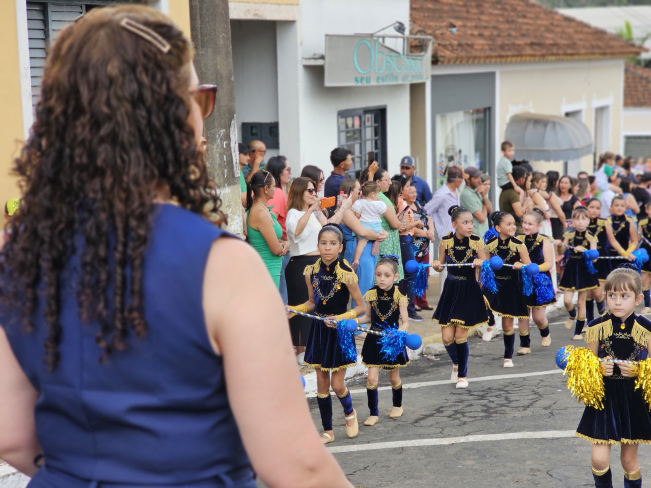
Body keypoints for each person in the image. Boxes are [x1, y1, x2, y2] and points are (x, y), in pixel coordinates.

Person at [0, 6, 351, 488]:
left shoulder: (19, 252)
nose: (203, 114)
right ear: (169, 117)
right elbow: (297, 465)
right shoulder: (222, 265)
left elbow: (12, 435)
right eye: (201, 99)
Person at [288, 224, 366, 445]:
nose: (328, 248)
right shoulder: (310, 271)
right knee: (322, 384)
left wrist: (342, 318)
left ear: (340, 247)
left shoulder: (347, 274)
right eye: (323, 243)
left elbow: (361, 307)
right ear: (318, 245)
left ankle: (349, 412)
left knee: (337, 385)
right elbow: (311, 303)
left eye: (333, 244)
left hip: (339, 332)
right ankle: (328, 430)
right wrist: (294, 310)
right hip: (320, 331)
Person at [576, 266, 651, 488]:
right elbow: (588, 364)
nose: (617, 302)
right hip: (604, 398)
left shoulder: (646, 328)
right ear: (605, 295)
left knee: (628, 461)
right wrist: (597, 368)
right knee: (598, 460)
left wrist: (639, 370)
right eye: (612, 295)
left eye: (624, 296)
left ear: (638, 299)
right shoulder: (596, 326)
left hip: (633, 399)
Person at [285, 177, 351, 363]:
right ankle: (300, 349)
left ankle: (313, 345)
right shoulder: (293, 213)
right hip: (300, 263)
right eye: (310, 190)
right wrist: (311, 209)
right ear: (299, 192)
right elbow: (296, 232)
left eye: (315, 190)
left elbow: (326, 230)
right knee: (301, 304)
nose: (314, 194)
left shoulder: (311, 214)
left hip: (317, 263)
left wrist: (337, 208)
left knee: (317, 305)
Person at [432, 206, 488, 388]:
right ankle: (456, 363)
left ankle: (463, 375)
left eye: (471, 222)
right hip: (450, 289)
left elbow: (486, 265)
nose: (470, 226)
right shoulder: (445, 241)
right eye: (465, 223)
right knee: (447, 338)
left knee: (460, 335)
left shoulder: (477, 242)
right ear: (454, 224)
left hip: (468, 289)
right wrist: (437, 266)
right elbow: (441, 265)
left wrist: (480, 263)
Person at [359, 255, 410, 424]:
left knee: (393, 378)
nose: (382, 279)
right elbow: (368, 317)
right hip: (374, 339)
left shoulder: (399, 295)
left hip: (392, 341)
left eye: (387, 275)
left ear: (395, 277)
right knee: (372, 379)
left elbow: (405, 322)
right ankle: (373, 413)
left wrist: (398, 333)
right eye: (378, 275)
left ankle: (397, 405)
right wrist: (353, 322)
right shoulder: (371, 293)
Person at [483, 212, 531, 367]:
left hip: (511, 285)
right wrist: (483, 264)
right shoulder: (490, 244)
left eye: (513, 224)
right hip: (494, 284)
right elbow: (485, 266)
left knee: (507, 324)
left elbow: (529, 266)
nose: (513, 227)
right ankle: (491, 323)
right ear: (498, 228)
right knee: (482, 301)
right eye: (508, 224)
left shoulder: (519, 244)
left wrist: (521, 265)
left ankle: (507, 357)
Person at [555, 207, 599, 341]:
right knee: (567, 300)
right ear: (572, 221)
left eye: (583, 219)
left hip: (584, 269)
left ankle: (578, 332)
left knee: (581, 302)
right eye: (577, 219)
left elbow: (594, 258)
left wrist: (585, 250)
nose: (580, 222)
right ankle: (572, 314)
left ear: (588, 221)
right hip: (571, 268)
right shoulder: (569, 235)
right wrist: (559, 245)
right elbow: (561, 252)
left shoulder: (591, 236)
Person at [338, 178, 386, 298]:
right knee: (362, 289)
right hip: (358, 249)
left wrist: (383, 233)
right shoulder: (345, 210)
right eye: (359, 190)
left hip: (367, 249)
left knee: (368, 286)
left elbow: (370, 224)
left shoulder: (358, 206)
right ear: (350, 192)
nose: (361, 193)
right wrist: (380, 236)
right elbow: (363, 232)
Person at [245, 171, 289, 287]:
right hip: (268, 268)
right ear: (266, 188)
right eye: (274, 186)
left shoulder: (261, 210)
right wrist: (286, 245)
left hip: (269, 267)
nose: (275, 189)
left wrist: (284, 243)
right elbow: (276, 250)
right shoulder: (260, 213)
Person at [520, 208, 556, 351]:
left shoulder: (543, 240)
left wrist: (535, 268)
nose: (526, 226)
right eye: (524, 223)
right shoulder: (518, 239)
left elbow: (549, 263)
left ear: (539, 225)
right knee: (523, 315)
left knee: (538, 318)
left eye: (530, 224)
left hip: (540, 280)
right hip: (523, 279)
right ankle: (525, 345)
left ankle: (545, 333)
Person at [267, 155, 292, 303]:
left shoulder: (278, 191)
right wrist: (281, 242)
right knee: (280, 291)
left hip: (280, 245)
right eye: (288, 169)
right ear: (278, 172)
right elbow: (269, 221)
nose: (290, 172)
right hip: (279, 247)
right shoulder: (277, 193)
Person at [406, 185, 435, 312]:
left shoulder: (419, 205)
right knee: (414, 273)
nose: (414, 194)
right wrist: (427, 234)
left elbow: (428, 218)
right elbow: (412, 229)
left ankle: (422, 301)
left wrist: (431, 232)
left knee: (424, 273)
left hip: (425, 247)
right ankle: (413, 302)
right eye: (411, 192)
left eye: (415, 192)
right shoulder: (405, 208)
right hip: (413, 247)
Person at [373, 169, 405, 281]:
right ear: (378, 182)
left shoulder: (378, 196)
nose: (390, 183)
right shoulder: (381, 198)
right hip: (386, 242)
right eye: (387, 180)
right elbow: (395, 224)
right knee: (387, 273)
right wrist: (398, 223)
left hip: (385, 239)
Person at [350, 181, 387, 270]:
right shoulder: (378, 204)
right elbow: (383, 212)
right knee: (380, 235)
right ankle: (376, 242)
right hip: (376, 226)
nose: (378, 196)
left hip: (365, 226)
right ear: (372, 193)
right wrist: (380, 202)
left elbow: (357, 215)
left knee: (361, 244)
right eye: (377, 194)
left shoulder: (359, 202)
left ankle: (356, 260)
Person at [585, 198, 608, 322]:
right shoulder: (582, 223)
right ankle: (590, 322)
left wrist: (625, 252)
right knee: (588, 294)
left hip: (601, 260)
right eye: (591, 207)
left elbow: (612, 240)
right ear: (586, 208)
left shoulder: (604, 222)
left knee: (598, 294)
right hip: (585, 261)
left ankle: (604, 318)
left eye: (597, 208)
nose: (594, 210)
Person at [460, 166, 492, 238]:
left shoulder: (477, 191)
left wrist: (484, 195)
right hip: (475, 237)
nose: (479, 180)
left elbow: (490, 210)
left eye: (479, 177)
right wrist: (484, 205)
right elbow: (482, 218)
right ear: (467, 179)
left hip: (483, 236)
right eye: (475, 178)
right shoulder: (466, 194)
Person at [498, 165, 527, 234]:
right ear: (521, 179)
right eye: (524, 177)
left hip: (507, 228)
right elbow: (519, 213)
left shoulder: (505, 191)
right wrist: (525, 205)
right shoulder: (512, 193)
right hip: (515, 230)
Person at [638, 201, 651, 315]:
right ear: (647, 210)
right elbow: (638, 238)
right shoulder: (642, 222)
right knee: (644, 279)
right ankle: (647, 305)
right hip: (645, 252)